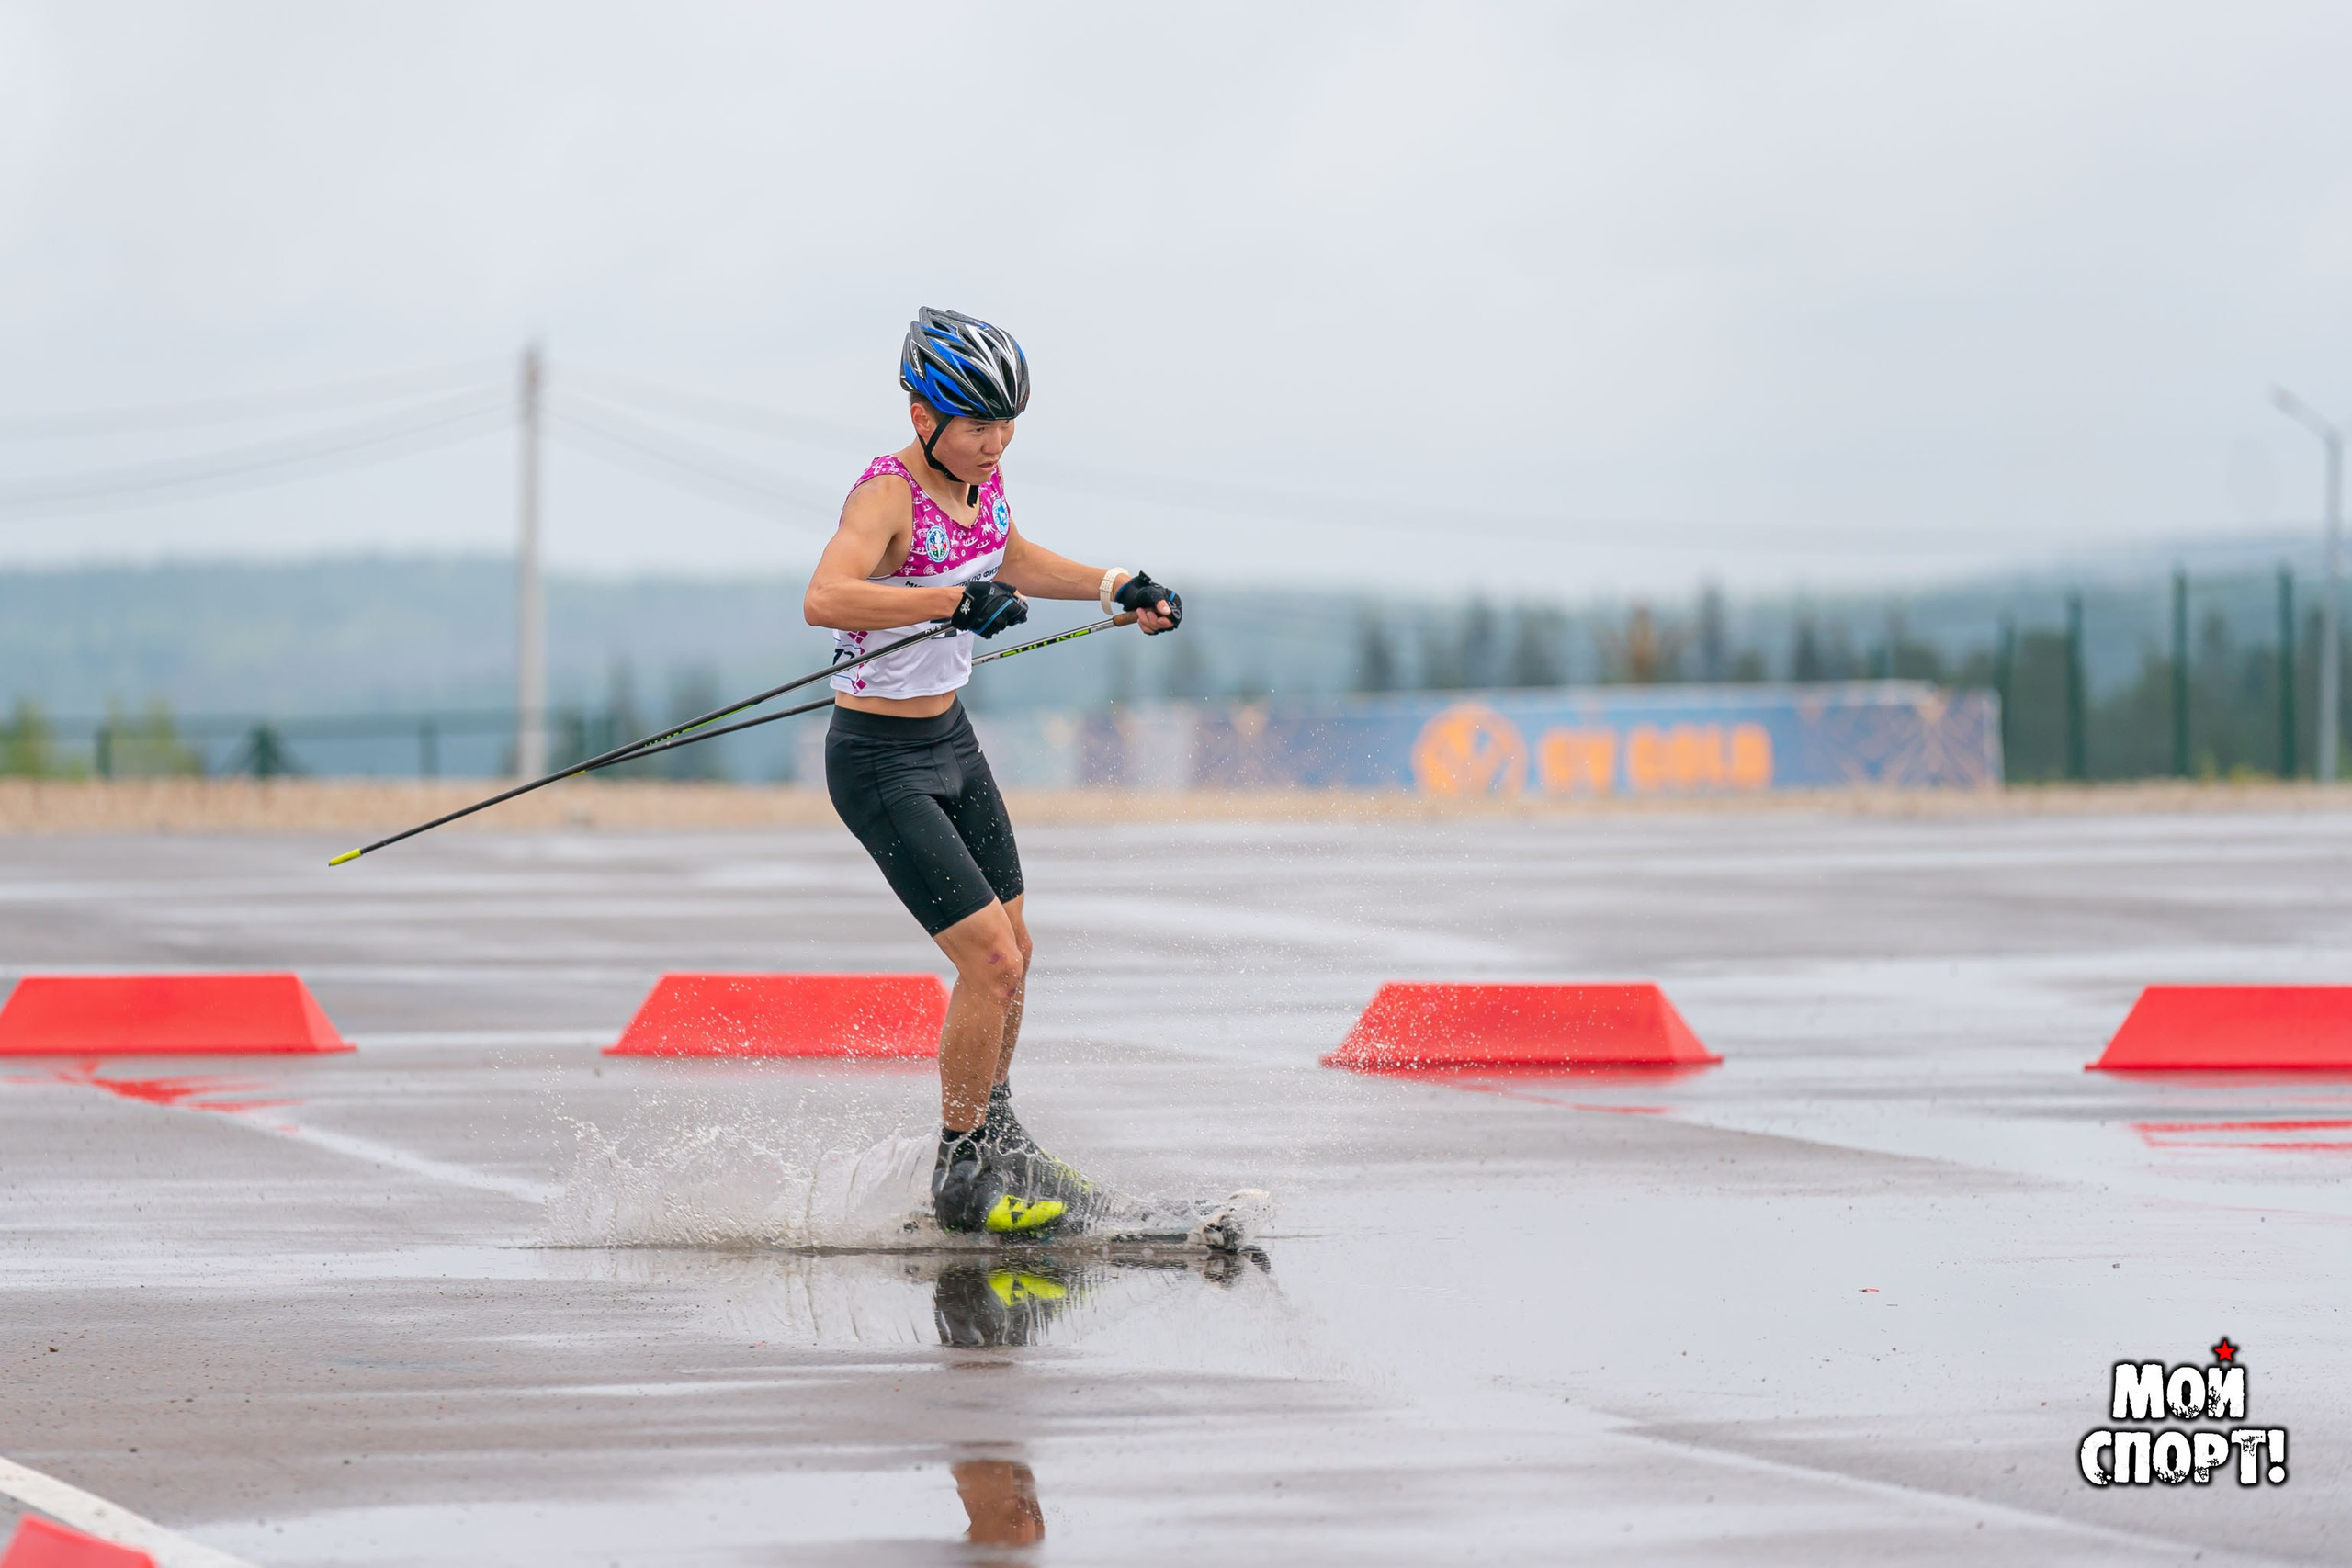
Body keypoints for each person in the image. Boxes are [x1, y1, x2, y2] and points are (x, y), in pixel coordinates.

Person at [804, 306, 1182, 1235]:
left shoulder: (987, 478)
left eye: (1006, 423)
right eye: (976, 423)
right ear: (922, 413)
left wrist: (1113, 584)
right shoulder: (884, 495)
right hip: (878, 759)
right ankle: (962, 1169)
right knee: (991, 959)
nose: (994, 441)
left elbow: (1007, 555)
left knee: (1018, 952)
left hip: (951, 744)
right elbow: (825, 597)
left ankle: (998, 1137)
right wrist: (949, 600)